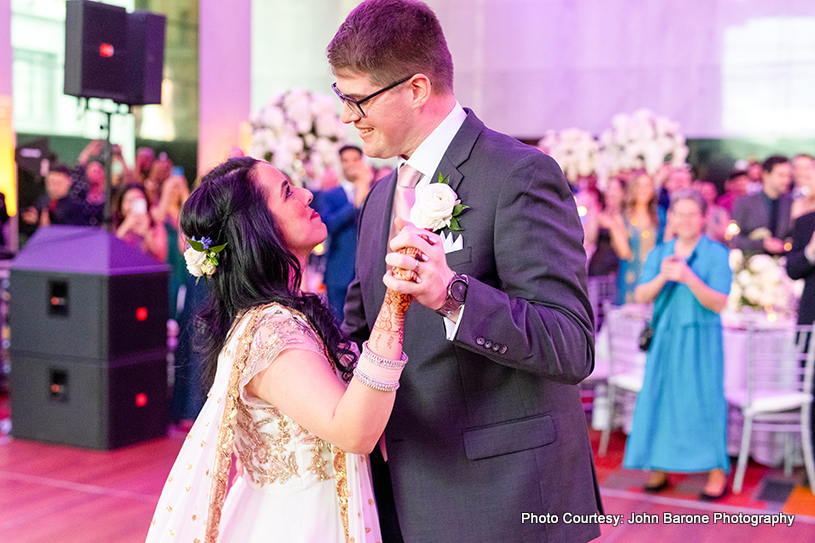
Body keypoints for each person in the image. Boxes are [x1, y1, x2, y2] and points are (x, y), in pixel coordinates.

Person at [328, 2, 601, 541]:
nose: (347, 117)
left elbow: (572, 346)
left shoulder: (520, 174)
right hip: (402, 490)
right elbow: (361, 334)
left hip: (507, 498)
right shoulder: (380, 198)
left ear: (416, 88)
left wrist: (453, 294)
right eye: (342, 98)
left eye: (357, 99)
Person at [146, 157, 420, 542]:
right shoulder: (270, 331)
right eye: (288, 192)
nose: (307, 194)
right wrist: (396, 300)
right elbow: (352, 431)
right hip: (301, 523)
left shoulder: (280, 313)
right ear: (256, 228)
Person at [624, 189, 731, 501]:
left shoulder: (716, 254)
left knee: (704, 400)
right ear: (670, 218)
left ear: (702, 218)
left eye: (691, 214)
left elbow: (718, 303)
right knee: (659, 397)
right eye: (678, 214)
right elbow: (642, 296)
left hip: (701, 337)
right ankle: (659, 465)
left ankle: (715, 471)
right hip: (665, 336)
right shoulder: (660, 252)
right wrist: (663, 277)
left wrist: (687, 277)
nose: (684, 220)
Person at [316, 164, 359, 322]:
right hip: (339, 270)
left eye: (355, 160)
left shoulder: (375, 190)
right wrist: (353, 205)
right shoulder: (330, 195)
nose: (351, 165)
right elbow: (328, 225)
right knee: (339, 326)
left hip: (366, 272)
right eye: (346, 160)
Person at [731, 155, 793, 256]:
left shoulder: (791, 203)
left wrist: (784, 246)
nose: (786, 180)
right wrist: (761, 244)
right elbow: (733, 239)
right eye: (781, 175)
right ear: (766, 175)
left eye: (788, 176)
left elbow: (796, 238)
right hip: (752, 264)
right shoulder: (745, 202)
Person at [616, 171, 662, 304]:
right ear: (633, 188)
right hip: (630, 278)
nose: (643, 190)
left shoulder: (660, 216)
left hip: (655, 279)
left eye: (647, 186)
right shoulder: (623, 218)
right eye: (639, 186)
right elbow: (624, 253)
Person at [113, 183, 168, 262]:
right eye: (130, 200)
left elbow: (161, 257)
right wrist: (126, 226)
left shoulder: (156, 227)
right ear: (121, 206)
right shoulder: (115, 228)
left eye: (138, 200)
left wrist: (146, 232)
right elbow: (113, 252)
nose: (134, 205)